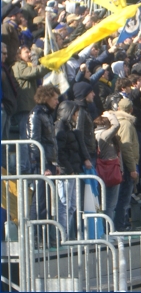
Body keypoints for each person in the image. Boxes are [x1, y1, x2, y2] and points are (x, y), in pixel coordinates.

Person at [12, 45, 50, 174]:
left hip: (29, 107)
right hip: (23, 108)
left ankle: (28, 165)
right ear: (19, 54)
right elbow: (31, 73)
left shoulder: (27, 65)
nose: (29, 54)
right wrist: (48, 65)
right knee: (25, 137)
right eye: (26, 52)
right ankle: (23, 166)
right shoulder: (18, 65)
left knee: (29, 137)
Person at [28, 85, 61, 226]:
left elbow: (51, 142)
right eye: (55, 98)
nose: (57, 101)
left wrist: (55, 163)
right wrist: (43, 166)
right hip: (42, 164)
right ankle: (36, 236)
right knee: (40, 200)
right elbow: (34, 142)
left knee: (47, 200)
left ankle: (43, 235)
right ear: (46, 98)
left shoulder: (47, 114)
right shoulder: (36, 114)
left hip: (49, 162)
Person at [54, 100, 82, 239]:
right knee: (64, 205)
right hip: (66, 172)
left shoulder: (68, 127)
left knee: (71, 206)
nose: (77, 116)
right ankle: (61, 236)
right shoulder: (60, 126)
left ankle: (65, 236)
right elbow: (60, 152)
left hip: (72, 171)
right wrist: (69, 169)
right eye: (75, 113)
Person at [113, 99, 139, 231]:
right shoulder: (127, 125)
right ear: (131, 110)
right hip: (126, 168)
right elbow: (126, 147)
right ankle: (121, 227)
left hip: (120, 166)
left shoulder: (116, 122)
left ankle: (119, 225)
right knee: (123, 200)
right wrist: (132, 168)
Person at [94, 111, 121, 224]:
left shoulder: (94, 134)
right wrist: (111, 115)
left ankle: (104, 230)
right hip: (110, 171)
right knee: (110, 205)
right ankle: (109, 231)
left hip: (102, 171)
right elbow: (116, 125)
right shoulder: (104, 134)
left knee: (103, 204)